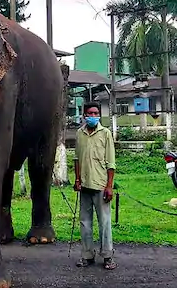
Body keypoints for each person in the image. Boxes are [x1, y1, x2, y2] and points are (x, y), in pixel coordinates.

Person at [73, 101, 117, 270]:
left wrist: (109, 186)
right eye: (89, 113)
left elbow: (111, 163)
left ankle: (107, 256)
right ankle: (87, 256)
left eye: (95, 113)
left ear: (99, 115)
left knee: (104, 223)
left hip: (101, 185)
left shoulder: (105, 133)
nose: (92, 116)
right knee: (85, 222)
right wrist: (77, 180)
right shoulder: (79, 134)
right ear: (84, 115)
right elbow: (76, 159)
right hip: (84, 185)